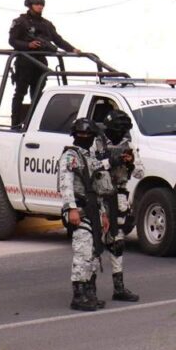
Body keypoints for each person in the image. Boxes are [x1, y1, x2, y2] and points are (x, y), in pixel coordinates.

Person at [58, 119, 111, 311]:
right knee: (83, 252)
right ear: (74, 135)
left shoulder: (90, 156)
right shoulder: (70, 156)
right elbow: (65, 184)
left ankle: (90, 292)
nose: (85, 137)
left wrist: (103, 213)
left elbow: (98, 187)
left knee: (94, 252)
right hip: (79, 208)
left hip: (93, 209)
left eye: (88, 134)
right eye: (81, 134)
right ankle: (79, 296)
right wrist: (71, 208)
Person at [92, 110, 143, 303]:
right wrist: (112, 160)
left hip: (119, 195)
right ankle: (89, 287)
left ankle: (119, 288)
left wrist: (130, 163)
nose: (122, 133)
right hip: (98, 196)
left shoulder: (128, 145)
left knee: (117, 242)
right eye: (119, 129)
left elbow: (140, 173)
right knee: (94, 243)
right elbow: (92, 166)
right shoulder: (97, 143)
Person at [8, 0, 80, 127]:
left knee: (36, 94)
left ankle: (32, 124)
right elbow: (12, 41)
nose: (40, 7)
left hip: (40, 62)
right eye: (37, 4)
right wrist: (28, 45)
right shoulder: (20, 22)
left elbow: (58, 40)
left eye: (41, 4)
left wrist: (72, 49)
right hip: (25, 61)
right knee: (20, 93)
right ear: (30, 5)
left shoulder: (46, 24)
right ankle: (15, 124)